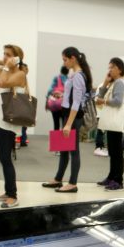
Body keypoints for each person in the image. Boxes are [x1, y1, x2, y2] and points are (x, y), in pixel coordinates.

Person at [0, 44, 29, 209]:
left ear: (16, 58)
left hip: (8, 124)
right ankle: (7, 192)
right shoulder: (8, 70)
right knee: (3, 159)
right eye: (3, 54)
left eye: (8, 54)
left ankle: (13, 196)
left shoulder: (20, 74)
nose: (4, 57)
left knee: (6, 159)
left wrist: (9, 65)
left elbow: (2, 83)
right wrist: (5, 60)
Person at [42, 47, 92, 194]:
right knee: (64, 149)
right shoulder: (73, 74)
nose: (64, 63)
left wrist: (69, 124)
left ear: (73, 58)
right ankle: (58, 179)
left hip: (73, 117)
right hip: (67, 114)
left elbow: (76, 102)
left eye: (65, 60)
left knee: (73, 150)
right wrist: (62, 95)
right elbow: (72, 97)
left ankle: (72, 183)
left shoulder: (78, 76)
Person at [95, 57, 124, 190]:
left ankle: (118, 180)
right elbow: (101, 95)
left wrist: (103, 102)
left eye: (112, 67)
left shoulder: (120, 82)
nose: (109, 70)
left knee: (116, 151)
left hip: (115, 120)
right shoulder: (114, 82)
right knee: (113, 150)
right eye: (109, 67)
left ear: (119, 69)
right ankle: (111, 176)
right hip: (111, 121)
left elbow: (117, 101)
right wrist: (105, 82)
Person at [46, 66, 68, 132]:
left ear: (61, 71)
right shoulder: (69, 79)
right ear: (68, 72)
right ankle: (64, 140)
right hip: (65, 104)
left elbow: (50, 90)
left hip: (55, 104)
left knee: (56, 123)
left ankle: (56, 140)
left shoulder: (56, 78)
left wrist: (47, 101)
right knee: (65, 123)